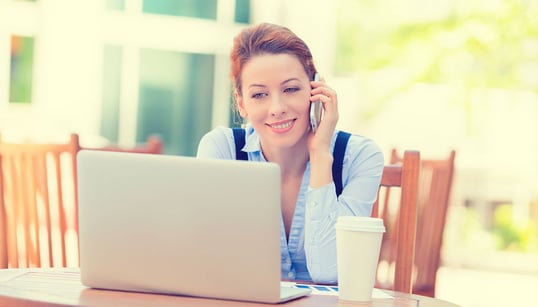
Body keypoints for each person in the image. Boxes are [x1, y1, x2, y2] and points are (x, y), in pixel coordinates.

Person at [196, 22, 384, 284]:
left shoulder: (361, 157)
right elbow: (209, 262)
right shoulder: (221, 149)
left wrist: (320, 155)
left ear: (315, 88)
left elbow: (330, 272)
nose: (277, 108)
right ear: (241, 103)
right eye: (259, 94)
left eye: (291, 89)